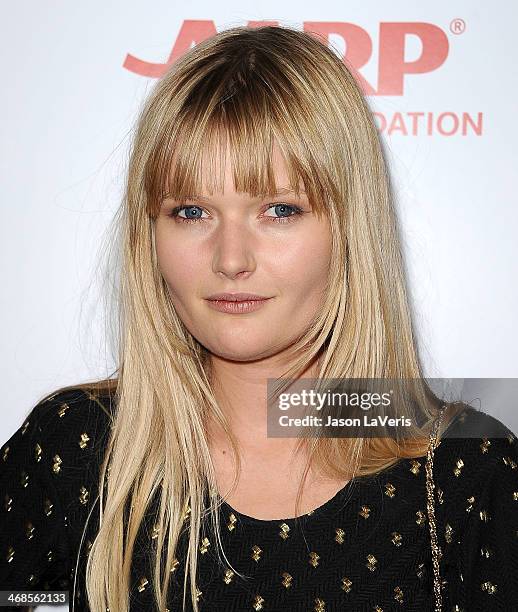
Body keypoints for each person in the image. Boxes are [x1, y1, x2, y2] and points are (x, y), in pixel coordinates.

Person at [1, 24, 517, 612]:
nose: (230, 259)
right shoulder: (71, 448)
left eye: (279, 209)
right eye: (191, 211)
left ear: (351, 229)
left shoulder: (466, 469)